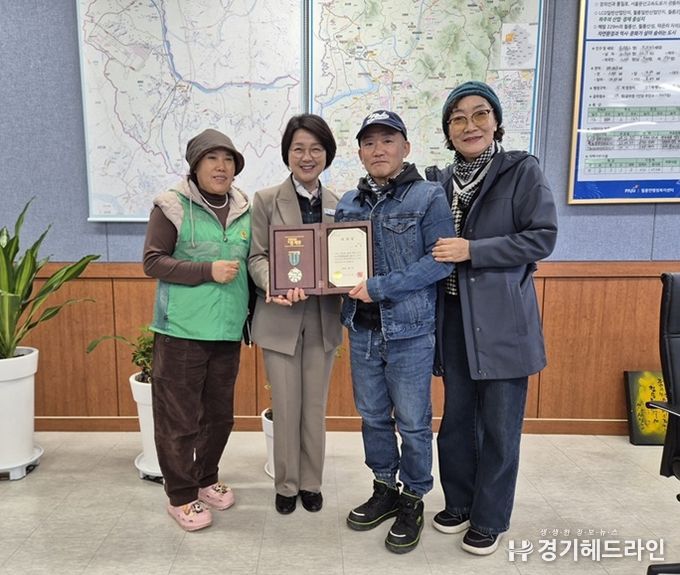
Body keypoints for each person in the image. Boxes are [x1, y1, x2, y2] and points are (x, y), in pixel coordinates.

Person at [427, 81, 558, 555]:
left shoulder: (522, 171)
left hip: (503, 321)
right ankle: (459, 503)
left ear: (496, 121)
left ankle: (489, 517)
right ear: (448, 131)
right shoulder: (439, 182)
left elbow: (541, 237)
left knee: (500, 426)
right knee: (457, 420)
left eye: (480, 114)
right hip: (453, 318)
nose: (470, 125)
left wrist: (473, 250)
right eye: (458, 118)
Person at [334, 110, 454, 554]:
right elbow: (335, 263)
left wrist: (381, 287)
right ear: (360, 153)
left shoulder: (428, 196)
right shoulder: (349, 202)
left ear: (405, 147)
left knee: (414, 422)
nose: (378, 149)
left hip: (410, 332)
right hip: (361, 330)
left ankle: (412, 498)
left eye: (387, 140)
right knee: (371, 417)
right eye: (369, 142)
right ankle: (384, 487)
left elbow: (440, 261)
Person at [143, 128, 251, 532]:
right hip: (181, 331)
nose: (221, 167)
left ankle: (206, 479)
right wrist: (207, 270)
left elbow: (254, 263)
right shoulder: (171, 205)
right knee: (179, 421)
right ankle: (181, 496)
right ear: (195, 165)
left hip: (226, 330)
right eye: (212, 158)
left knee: (219, 418)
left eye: (228, 159)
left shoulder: (244, 208)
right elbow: (153, 261)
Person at [248, 114, 343, 515]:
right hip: (280, 319)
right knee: (286, 405)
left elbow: (345, 259)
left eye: (316, 149)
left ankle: (311, 482)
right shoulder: (266, 199)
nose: (307, 157)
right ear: (287, 153)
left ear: (327, 154)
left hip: (323, 319)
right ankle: (286, 484)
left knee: (314, 408)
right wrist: (274, 283)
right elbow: (256, 257)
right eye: (299, 148)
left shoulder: (341, 204)